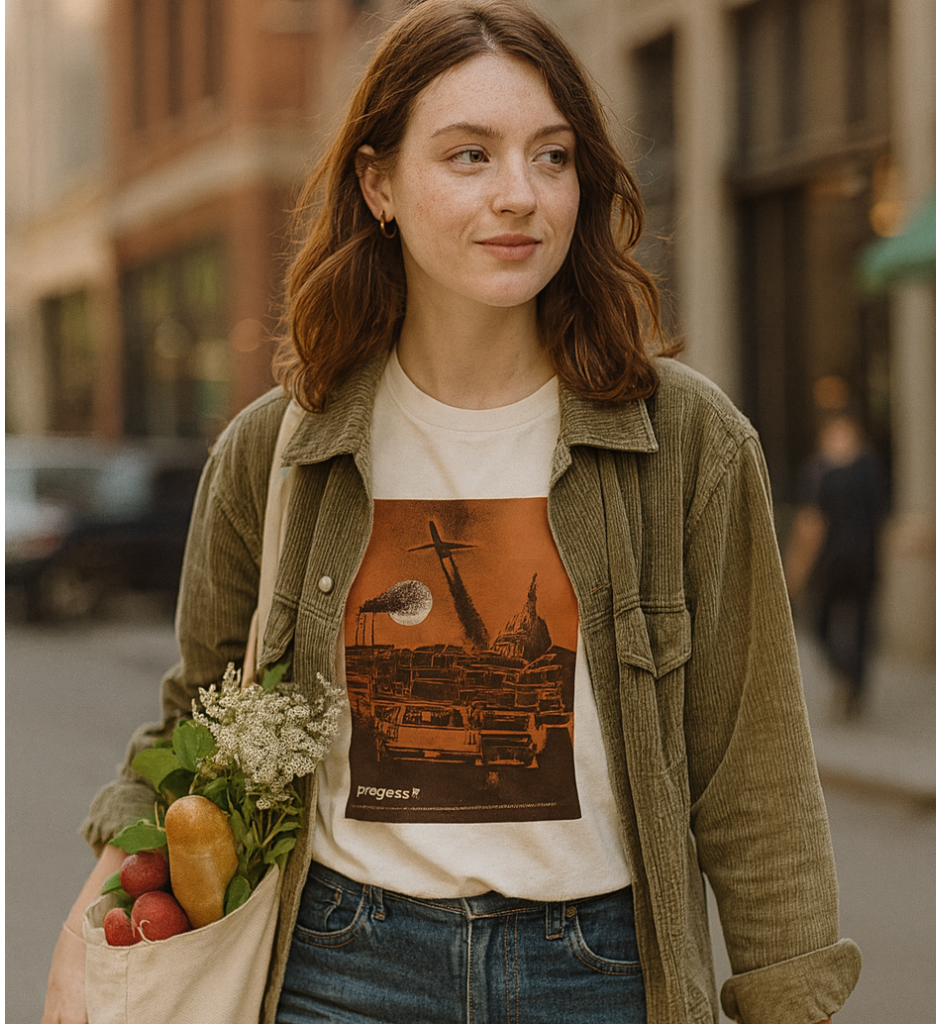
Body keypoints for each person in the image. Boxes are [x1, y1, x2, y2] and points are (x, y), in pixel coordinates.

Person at [42, 2, 860, 1022]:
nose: (518, 196)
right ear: (378, 183)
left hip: (600, 972)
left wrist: (790, 1000)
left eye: (551, 157)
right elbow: (198, 725)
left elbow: (757, 780)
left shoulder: (689, 443)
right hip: (340, 965)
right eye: (468, 155)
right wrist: (91, 919)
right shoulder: (278, 449)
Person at [786, 409, 888, 719]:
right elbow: (883, 520)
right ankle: (853, 680)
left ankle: (847, 675)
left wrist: (796, 572)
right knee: (858, 627)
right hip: (863, 560)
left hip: (834, 562)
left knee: (821, 625)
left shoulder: (822, 472)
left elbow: (811, 524)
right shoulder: (869, 469)